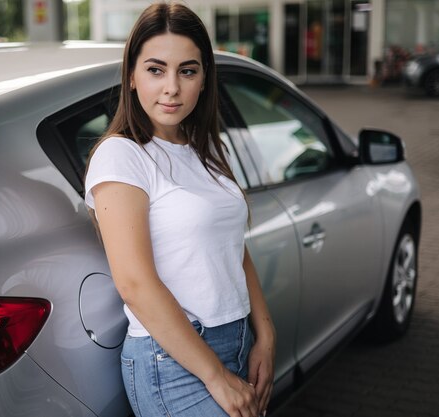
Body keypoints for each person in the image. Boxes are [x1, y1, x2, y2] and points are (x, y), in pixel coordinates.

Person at [84, 3, 275, 417]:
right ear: (131, 76)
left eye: (187, 71)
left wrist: (265, 335)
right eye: (156, 70)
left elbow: (234, 250)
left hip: (236, 342)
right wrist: (216, 376)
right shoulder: (121, 156)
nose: (172, 87)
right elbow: (135, 283)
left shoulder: (202, 149)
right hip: (173, 361)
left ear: (204, 79)